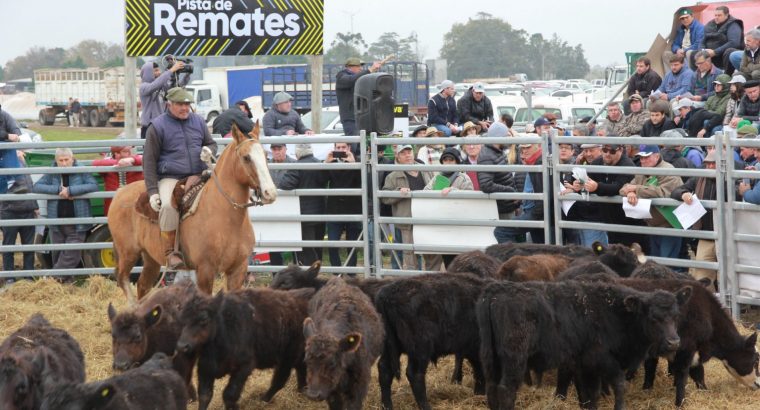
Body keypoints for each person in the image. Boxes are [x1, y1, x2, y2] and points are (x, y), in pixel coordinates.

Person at [143, 87, 218, 269]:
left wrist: (210, 150)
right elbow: (149, 161)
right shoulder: (157, 126)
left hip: (200, 174)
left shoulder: (199, 122)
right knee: (168, 207)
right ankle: (170, 253)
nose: (185, 108)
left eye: (187, 104)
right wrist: (153, 191)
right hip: (171, 177)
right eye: (180, 104)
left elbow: (210, 142)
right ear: (169, 104)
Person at [671, 150, 733, 291]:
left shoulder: (733, 178)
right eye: (708, 164)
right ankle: (710, 302)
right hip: (707, 235)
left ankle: (734, 305)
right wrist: (684, 193)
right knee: (702, 275)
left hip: (728, 235)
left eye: (713, 163)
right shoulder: (699, 178)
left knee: (729, 273)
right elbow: (676, 190)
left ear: (724, 164)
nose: (710, 167)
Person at [32, 148, 98, 270]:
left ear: (72, 159)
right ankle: (65, 281)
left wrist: (71, 190)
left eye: (66, 160)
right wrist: (57, 190)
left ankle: (55, 277)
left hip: (77, 220)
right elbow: (37, 186)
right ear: (56, 161)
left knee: (72, 253)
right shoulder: (51, 172)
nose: (64, 163)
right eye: (60, 160)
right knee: (57, 252)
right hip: (56, 220)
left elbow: (93, 185)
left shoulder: (81, 169)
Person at [620, 145, 684, 260]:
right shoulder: (642, 172)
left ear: (657, 156)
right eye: (641, 158)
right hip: (653, 224)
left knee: (668, 263)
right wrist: (630, 193)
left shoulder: (668, 171)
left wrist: (635, 189)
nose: (643, 161)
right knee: (656, 261)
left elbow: (662, 192)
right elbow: (625, 188)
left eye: (646, 157)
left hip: (670, 224)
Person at [589, 143, 650, 253]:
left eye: (612, 151)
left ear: (620, 150)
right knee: (614, 255)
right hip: (609, 219)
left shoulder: (627, 165)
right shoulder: (598, 162)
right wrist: (577, 186)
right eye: (604, 150)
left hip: (629, 222)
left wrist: (597, 187)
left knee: (633, 257)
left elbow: (618, 187)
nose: (607, 154)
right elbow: (587, 178)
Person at [381, 144, 433, 270]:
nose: (407, 155)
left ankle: (426, 277)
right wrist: (398, 192)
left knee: (429, 252)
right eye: (403, 153)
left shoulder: (425, 170)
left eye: (409, 152)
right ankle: (400, 276)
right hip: (405, 221)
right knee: (405, 252)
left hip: (425, 219)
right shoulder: (392, 176)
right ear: (397, 156)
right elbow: (384, 198)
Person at [423, 147, 473, 269]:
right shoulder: (437, 178)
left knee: (458, 259)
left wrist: (454, 191)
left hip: (458, 224)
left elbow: (471, 199)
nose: (448, 162)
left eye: (451, 160)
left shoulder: (464, 178)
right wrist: (436, 193)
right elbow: (425, 192)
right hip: (441, 223)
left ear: (457, 162)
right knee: (446, 257)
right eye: (445, 160)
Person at [279, 144, 327, 267]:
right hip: (321, 212)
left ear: (297, 154)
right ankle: (317, 269)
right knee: (318, 245)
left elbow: (285, 184)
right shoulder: (320, 164)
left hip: (304, 214)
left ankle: (309, 272)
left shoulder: (297, 166)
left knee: (307, 248)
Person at [497, 140, 546, 244]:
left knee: (501, 231)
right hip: (535, 211)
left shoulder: (539, 163)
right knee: (541, 244)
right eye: (522, 148)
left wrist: (535, 214)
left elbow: (542, 193)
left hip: (537, 212)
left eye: (528, 147)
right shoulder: (535, 162)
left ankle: (515, 255)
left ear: (538, 146)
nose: (524, 151)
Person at [477, 122, 518, 243]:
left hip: (506, 204)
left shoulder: (497, 151)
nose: (508, 139)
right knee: (505, 242)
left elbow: (507, 177)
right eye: (506, 136)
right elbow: (486, 185)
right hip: (501, 207)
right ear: (499, 136)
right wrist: (510, 192)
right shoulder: (487, 156)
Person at [324, 142, 361, 270]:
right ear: (334, 149)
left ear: (349, 148)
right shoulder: (331, 163)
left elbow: (363, 181)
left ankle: (351, 273)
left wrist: (354, 165)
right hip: (334, 209)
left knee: (352, 244)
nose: (340, 150)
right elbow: (321, 181)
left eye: (343, 147)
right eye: (338, 148)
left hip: (353, 208)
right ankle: (336, 272)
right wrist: (325, 164)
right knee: (332, 243)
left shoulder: (357, 161)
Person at [1, 150, 38, 274]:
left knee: (29, 246)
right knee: (9, 246)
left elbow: (30, 185)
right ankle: (9, 276)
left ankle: (29, 275)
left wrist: (35, 205)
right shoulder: (4, 163)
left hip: (28, 210)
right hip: (9, 211)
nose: (21, 152)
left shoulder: (23, 163)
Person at [139, 60, 191, 139]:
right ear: (148, 73)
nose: (159, 72)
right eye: (155, 70)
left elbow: (177, 87)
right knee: (151, 151)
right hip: (149, 127)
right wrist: (171, 70)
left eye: (159, 70)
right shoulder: (143, 87)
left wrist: (187, 74)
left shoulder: (162, 85)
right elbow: (154, 86)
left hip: (162, 125)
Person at [336, 57, 381, 137]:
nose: (361, 68)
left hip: (362, 118)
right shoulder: (341, 76)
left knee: (363, 145)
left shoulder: (359, 78)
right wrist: (369, 70)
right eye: (358, 66)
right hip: (350, 118)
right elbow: (351, 80)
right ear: (350, 67)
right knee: (354, 144)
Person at [92, 146, 143, 215]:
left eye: (129, 151)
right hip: (113, 202)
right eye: (125, 151)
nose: (129, 153)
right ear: (116, 153)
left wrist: (132, 160)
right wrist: (118, 162)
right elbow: (96, 163)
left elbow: (145, 159)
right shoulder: (108, 162)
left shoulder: (134, 160)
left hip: (132, 201)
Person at [267, 143, 296, 267]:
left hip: (291, 207)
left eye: (279, 149)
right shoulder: (267, 165)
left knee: (295, 242)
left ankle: (296, 272)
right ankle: (276, 274)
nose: (277, 152)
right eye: (274, 149)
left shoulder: (294, 164)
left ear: (286, 149)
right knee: (274, 243)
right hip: (273, 208)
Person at [699, 5, 744, 74]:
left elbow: (734, 42)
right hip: (709, 53)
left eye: (719, 15)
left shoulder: (733, 25)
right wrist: (703, 51)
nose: (716, 17)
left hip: (723, 53)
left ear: (726, 15)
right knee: (692, 53)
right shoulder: (710, 25)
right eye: (715, 15)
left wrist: (715, 52)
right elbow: (702, 40)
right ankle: (699, 76)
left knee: (729, 52)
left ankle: (726, 76)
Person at [0, 105, 29, 194]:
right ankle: (19, 181)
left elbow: (15, 129)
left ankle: (19, 183)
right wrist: (7, 136)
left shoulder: (4, 115)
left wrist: (19, 145)